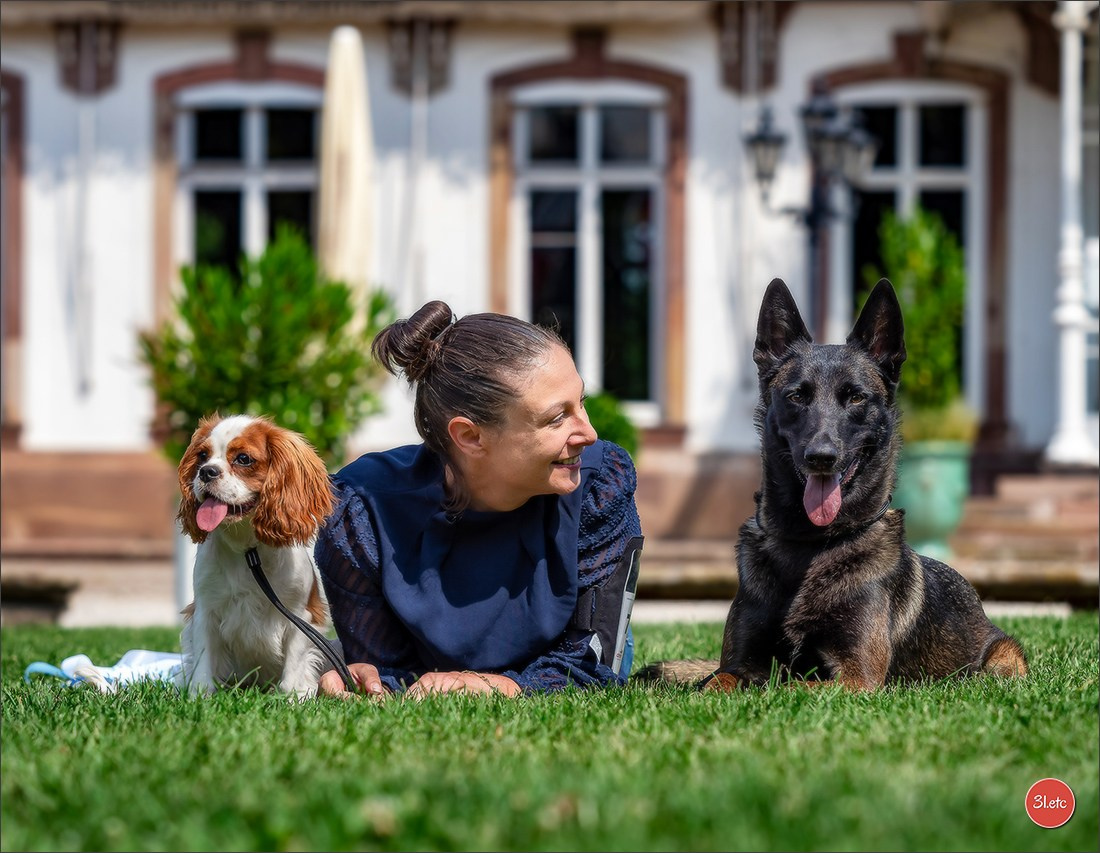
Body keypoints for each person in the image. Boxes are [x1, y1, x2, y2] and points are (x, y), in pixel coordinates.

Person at [315, 300, 643, 699]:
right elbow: (383, 668)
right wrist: (367, 675)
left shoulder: (600, 484)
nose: (588, 433)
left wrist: (504, 686)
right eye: (557, 418)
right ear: (470, 436)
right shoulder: (360, 510)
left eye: (582, 403)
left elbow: (596, 660)